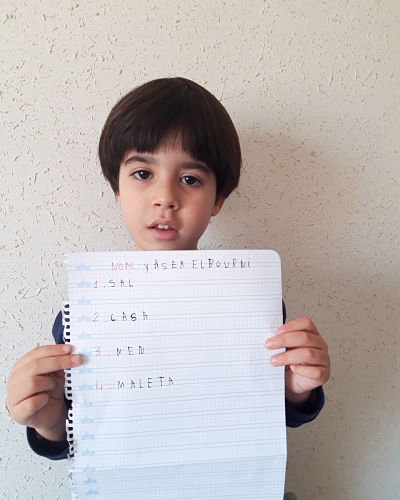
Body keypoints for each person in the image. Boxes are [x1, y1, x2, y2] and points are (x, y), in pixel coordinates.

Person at [6, 77, 330, 460]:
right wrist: (48, 420)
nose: (165, 198)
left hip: (228, 487)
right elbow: (83, 435)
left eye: (190, 179)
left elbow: (264, 413)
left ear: (218, 200)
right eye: (143, 174)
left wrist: (296, 387)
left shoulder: (252, 305)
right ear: (117, 189)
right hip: (126, 493)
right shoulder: (85, 315)